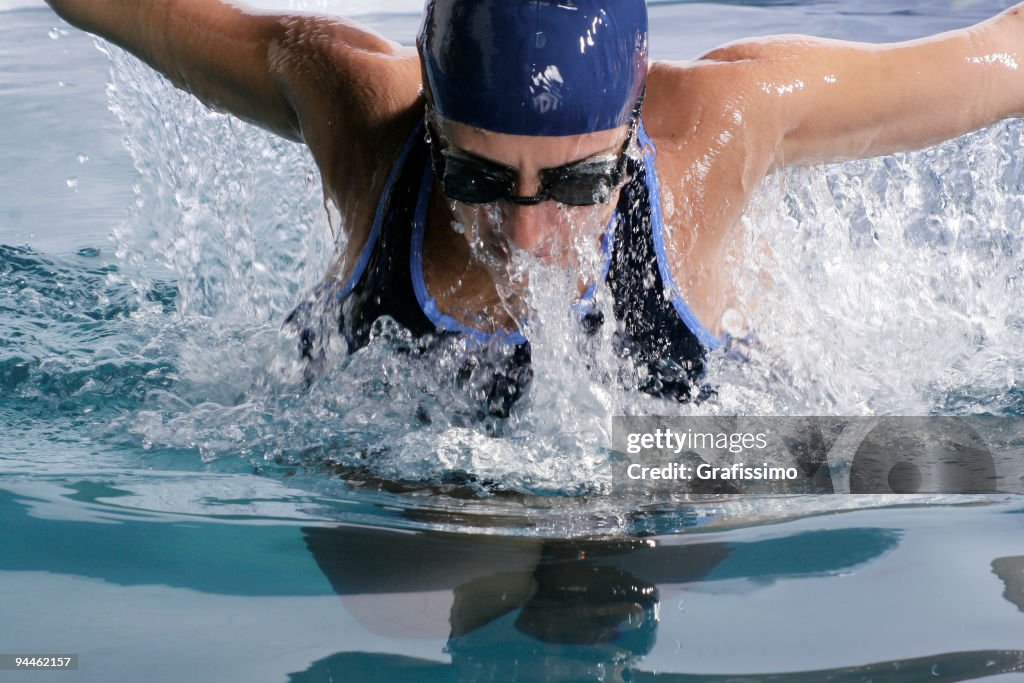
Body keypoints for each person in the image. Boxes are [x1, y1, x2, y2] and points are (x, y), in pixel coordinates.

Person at [45, 0, 1024, 414]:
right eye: (475, 176)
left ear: (635, 117)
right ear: (427, 107)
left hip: (683, 467)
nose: (525, 232)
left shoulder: (722, 126)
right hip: (412, 486)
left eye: (577, 183)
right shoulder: (356, 107)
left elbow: (1005, 59)